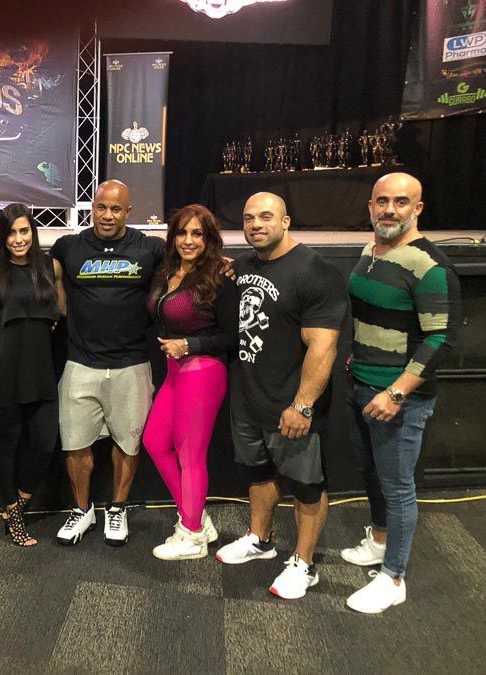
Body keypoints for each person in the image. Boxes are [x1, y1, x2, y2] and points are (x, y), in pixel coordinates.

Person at [216, 192, 346, 601]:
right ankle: (261, 539)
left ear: (286, 221)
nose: (256, 224)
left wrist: (302, 405)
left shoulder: (315, 272)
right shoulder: (244, 266)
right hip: (248, 400)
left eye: (266, 217)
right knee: (256, 472)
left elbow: (323, 346)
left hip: (291, 406)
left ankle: (305, 564)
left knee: (307, 485)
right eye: (249, 218)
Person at [341, 173, 460, 613]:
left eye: (401, 202)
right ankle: (379, 541)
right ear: (370, 206)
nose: (390, 210)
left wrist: (395, 393)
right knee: (370, 473)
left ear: (418, 208)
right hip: (361, 385)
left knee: (397, 487)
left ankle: (393, 577)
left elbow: (440, 339)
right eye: (382, 201)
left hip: (398, 400)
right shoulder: (369, 252)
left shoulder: (430, 266)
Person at [49, 180, 165, 547]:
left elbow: (191, 263)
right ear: (92, 208)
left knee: (128, 444)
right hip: (81, 363)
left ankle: (117, 508)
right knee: (75, 444)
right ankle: (82, 510)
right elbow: (31, 266)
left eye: (116, 209)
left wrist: (223, 264)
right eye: (101, 207)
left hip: (131, 363)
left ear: (128, 212)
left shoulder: (150, 248)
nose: (108, 215)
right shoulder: (68, 246)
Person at [143, 204, 237, 560]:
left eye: (197, 233)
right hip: (173, 371)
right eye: (182, 232)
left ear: (209, 239)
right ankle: (195, 516)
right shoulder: (167, 270)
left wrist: (190, 345)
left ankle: (193, 534)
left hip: (203, 370)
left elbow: (232, 336)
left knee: (190, 454)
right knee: (154, 442)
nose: (188, 240)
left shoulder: (218, 278)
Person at [0, 204, 62, 546]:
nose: (18, 239)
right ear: (2, 236)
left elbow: (64, 310)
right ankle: (13, 514)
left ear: (33, 232)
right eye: (11, 232)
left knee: (44, 442)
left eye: (24, 231)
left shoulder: (50, 266)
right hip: (3, 369)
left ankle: (21, 501)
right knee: (7, 445)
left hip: (40, 369)